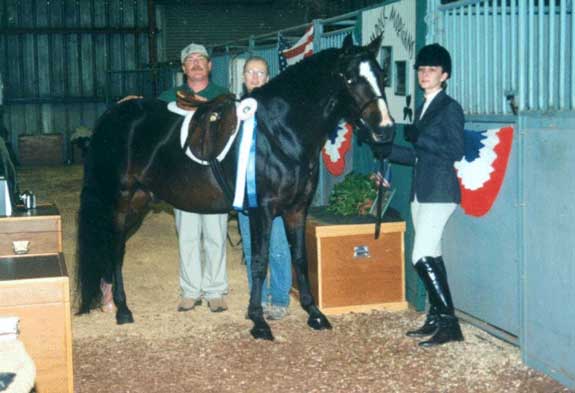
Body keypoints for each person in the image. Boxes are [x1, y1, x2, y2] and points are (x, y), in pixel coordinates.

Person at [386, 43, 465, 346]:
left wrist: (423, 139)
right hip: (422, 190)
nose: (424, 74)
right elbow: (418, 156)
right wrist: (385, 149)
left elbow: (455, 150)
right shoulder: (423, 105)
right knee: (431, 254)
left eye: (431, 70)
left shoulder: (449, 108)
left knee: (420, 255)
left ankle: (450, 324)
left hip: (440, 191)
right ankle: (436, 317)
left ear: (444, 75)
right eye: (421, 69)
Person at [159, 43, 230, 313]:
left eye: (201, 59)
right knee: (187, 236)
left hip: (215, 179)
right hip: (183, 180)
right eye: (190, 60)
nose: (196, 64)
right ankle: (190, 291)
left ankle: (215, 291)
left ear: (210, 66)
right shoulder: (168, 97)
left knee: (215, 235)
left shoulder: (223, 96)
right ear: (183, 68)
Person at [237, 56, 292, 320]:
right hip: (245, 193)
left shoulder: (280, 111)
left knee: (278, 245)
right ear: (243, 77)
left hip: (274, 194)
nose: (255, 77)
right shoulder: (235, 111)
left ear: (268, 79)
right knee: (251, 248)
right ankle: (257, 297)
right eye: (250, 72)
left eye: (260, 73)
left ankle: (280, 298)